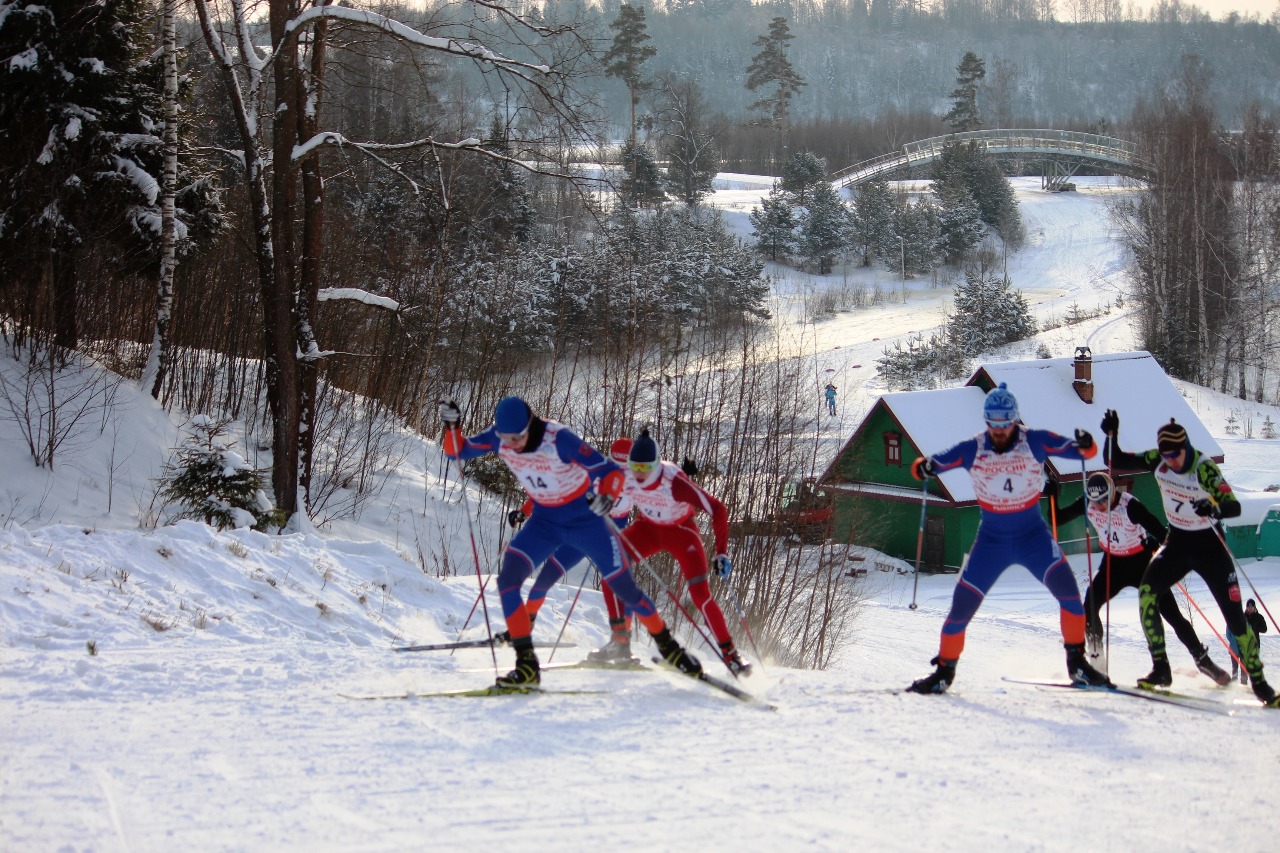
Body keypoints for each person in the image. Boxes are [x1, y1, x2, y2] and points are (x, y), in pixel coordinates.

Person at [440, 396, 700, 687]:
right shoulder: (499, 438)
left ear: (531, 425)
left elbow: (608, 471)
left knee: (625, 589)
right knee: (508, 580)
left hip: (586, 524)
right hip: (545, 523)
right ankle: (527, 666)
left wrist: (608, 497)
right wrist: (453, 426)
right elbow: (457, 452)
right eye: (505, 438)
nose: (511, 444)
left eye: (517, 437)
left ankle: (671, 650)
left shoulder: (558, 438)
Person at [907, 382, 1111, 694]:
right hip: (991, 543)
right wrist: (924, 468)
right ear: (986, 421)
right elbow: (929, 464)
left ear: (1015, 420)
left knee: (1070, 596)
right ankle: (944, 672)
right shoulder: (973, 448)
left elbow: (1087, 451)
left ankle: (1078, 665)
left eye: (1005, 425)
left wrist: (1086, 444)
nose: (999, 431)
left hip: (1034, 538)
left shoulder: (1036, 440)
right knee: (960, 608)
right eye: (993, 425)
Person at [1101, 410, 1277, 707]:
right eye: (1166, 454)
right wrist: (1111, 434)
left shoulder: (1203, 468)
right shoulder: (1158, 457)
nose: (1171, 460)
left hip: (1211, 548)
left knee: (1236, 621)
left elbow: (1232, 506)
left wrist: (1213, 508)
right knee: (1147, 594)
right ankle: (1161, 669)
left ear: (1186, 447)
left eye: (1176, 454)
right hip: (1178, 543)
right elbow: (1116, 461)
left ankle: (1260, 685)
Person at [1053, 472, 1230, 685]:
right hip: (1113, 564)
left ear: (1113, 492)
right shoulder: (1088, 501)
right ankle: (1096, 660)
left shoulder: (1130, 506)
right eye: (1094, 501)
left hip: (1141, 563)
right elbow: (1058, 518)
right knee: (1090, 604)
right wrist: (1052, 496)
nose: (1098, 506)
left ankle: (1204, 662)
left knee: (1171, 614)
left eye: (1103, 500)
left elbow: (1162, 532)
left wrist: (1155, 545)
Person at [613, 428, 752, 676]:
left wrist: (722, 553)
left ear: (656, 464)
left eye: (645, 468)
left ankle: (731, 656)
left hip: (681, 531)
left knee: (700, 593)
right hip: (647, 529)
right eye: (635, 467)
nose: (639, 474)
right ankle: (620, 642)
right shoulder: (627, 475)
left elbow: (718, 509)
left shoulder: (675, 483)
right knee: (612, 565)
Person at [1230, 599, 1269, 685]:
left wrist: (1255, 627)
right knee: (1241, 665)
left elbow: (1265, 629)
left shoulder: (1259, 617)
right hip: (1244, 645)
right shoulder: (1243, 617)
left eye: (1251, 607)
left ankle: (1253, 683)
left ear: (1254, 607)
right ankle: (1238, 682)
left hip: (1255, 645)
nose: (1250, 608)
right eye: (1248, 607)